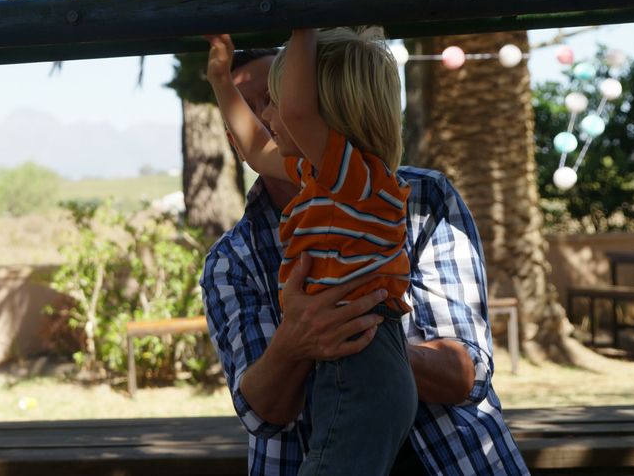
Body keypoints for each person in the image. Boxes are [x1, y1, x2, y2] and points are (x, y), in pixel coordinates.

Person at [200, 36, 529, 475]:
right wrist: (220, 81)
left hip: (368, 365)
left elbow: (469, 370)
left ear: (321, 116)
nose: (264, 118)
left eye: (275, 101)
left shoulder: (354, 180)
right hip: (367, 371)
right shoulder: (318, 180)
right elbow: (257, 151)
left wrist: (303, 26)